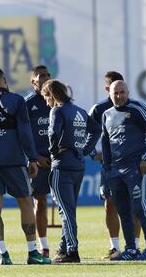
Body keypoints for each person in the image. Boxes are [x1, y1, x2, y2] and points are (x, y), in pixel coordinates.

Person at [0, 67, 51, 265]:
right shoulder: (17, 101)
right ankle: (33, 253)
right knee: (25, 203)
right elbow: (25, 132)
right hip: (14, 162)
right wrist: (32, 158)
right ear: (5, 80)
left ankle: (3, 254)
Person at [88, 71, 146, 259]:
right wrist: (106, 168)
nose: (119, 96)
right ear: (109, 94)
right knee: (122, 209)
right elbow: (105, 142)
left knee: (139, 206)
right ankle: (130, 249)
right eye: (116, 93)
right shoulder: (106, 114)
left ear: (128, 92)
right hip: (114, 170)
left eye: (122, 92)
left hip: (134, 167)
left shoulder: (136, 110)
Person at [41, 79, 101, 263]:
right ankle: (63, 248)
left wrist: (52, 153)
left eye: (46, 98)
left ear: (51, 94)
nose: (46, 102)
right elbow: (96, 129)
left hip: (62, 165)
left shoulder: (57, 110)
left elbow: (53, 133)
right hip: (78, 165)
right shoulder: (80, 111)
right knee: (69, 210)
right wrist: (84, 149)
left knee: (65, 212)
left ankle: (72, 251)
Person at [25, 65, 52, 258]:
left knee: (65, 204)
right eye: (41, 75)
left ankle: (68, 244)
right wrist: (35, 158)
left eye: (47, 75)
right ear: (33, 81)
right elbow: (23, 136)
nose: (45, 78)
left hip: (59, 159)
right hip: (39, 161)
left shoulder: (57, 100)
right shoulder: (27, 104)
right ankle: (42, 245)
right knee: (40, 201)